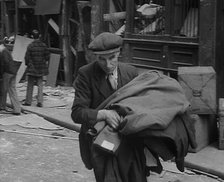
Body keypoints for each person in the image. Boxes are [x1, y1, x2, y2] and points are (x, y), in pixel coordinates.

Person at [71, 32, 138, 182]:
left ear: (119, 53)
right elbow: (77, 113)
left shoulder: (131, 73)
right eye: (102, 59)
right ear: (95, 56)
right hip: (101, 145)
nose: (107, 65)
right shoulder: (85, 74)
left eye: (112, 58)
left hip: (128, 143)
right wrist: (103, 114)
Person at [23, 29, 50, 107]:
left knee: (30, 85)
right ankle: (40, 102)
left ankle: (28, 101)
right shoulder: (43, 46)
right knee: (40, 85)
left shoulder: (30, 46)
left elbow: (27, 57)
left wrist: (28, 64)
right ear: (40, 36)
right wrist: (43, 61)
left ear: (32, 36)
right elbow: (47, 56)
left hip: (32, 68)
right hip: (41, 68)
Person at [0, 37, 21, 115]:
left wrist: (1, 75)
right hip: (13, 71)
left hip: (7, 72)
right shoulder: (6, 51)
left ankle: (2, 106)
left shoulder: (2, 52)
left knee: (3, 89)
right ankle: (17, 109)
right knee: (12, 90)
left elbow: (2, 64)